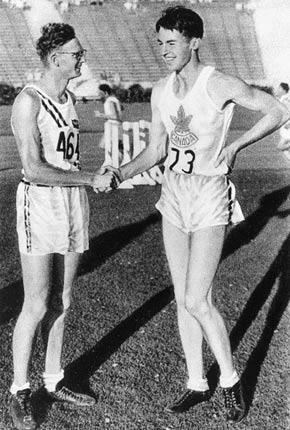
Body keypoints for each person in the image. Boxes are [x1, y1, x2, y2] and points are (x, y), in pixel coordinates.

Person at [105, 5, 289, 423]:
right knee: (182, 297)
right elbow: (155, 150)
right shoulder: (160, 90)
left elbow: (279, 111)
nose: (164, 51)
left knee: (197, 298)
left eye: (172, 43)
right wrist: (119, 172)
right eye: (160, 43)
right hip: (173, 196)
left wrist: (234, 147)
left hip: (209, 196)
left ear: (194, 42)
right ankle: (195, 382)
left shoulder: (218, 82)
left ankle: (228, 379)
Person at [10, 22, 115, 430]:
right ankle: (19, 389)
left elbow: (66, 161)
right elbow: (34, 169)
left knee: (64, 298)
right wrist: (89, 178)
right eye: (77, 53)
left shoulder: (69, 98)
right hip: (40, 204)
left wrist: (90, 176)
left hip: (72, 202)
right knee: (35, 302)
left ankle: (53, 379)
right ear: (56, 58)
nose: (82, 59)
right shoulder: (28, 101)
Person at [95, 84, 122, 149]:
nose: (98, 94)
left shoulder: (110, 101)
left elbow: (115, 116)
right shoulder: (113, 99)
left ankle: (122, 157)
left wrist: (101, 115)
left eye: (100, 93)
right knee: (109, 146)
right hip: (115, 125)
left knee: (105, 146)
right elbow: (119, 110)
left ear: (106, 93)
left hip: (113, 125)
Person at [275, 82, 290, 160]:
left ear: (283, 90)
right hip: (285, 126)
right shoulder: (282, 99)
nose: (277, 90)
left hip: (287, 126)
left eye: (279, 88)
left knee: (280, 146)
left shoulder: (285, 99)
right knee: (285, 150)